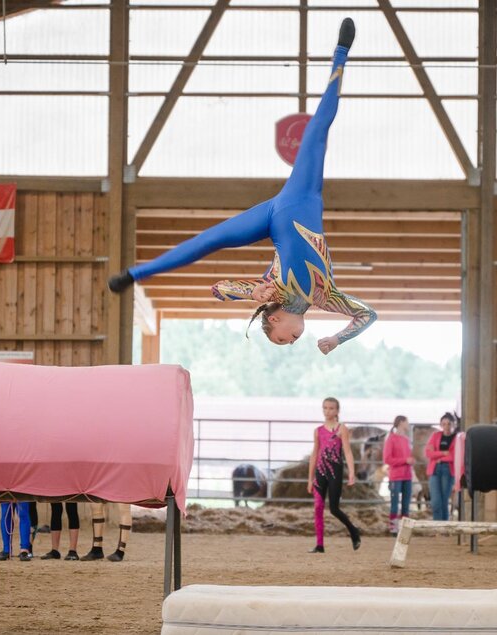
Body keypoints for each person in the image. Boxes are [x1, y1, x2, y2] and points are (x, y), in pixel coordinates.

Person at [107, 18, 375, 355]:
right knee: (317, 135)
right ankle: (134, 274)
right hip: (303, 204)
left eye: (281, 339)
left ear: (274, 321)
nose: (291, 342)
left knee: (209, 238)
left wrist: (252, 293)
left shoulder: (272, 292)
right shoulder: (326, 297)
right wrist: (338, 338)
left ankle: (340, 54)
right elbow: (368, 313)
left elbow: (217, 289)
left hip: (286, 206)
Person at [307, 397, 360, 553]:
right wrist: (310, 479)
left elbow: (348, 452)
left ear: (337, 411)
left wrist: (351, 472)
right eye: (325, 408)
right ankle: (319, 545)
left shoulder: (341, 429)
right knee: (318, 506)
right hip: (320, 472)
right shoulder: (318, 431)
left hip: (335, 472)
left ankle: (353, 530)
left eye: (331, 408)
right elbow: (314, 454)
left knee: (334, 509)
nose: (327, 411)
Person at [424, 412, 460, 522]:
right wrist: (443, 453)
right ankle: (437, 527)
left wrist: (438, 456)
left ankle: (444, 528)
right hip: (434, 470)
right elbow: (428, 453)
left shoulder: (457, 438)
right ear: (441, 425)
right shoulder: (435, 436)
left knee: (444, 500)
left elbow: (454, 456)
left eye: (449, 424)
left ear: (453, 425)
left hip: (447, 471)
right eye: (444, 424)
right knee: (435, 501)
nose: (446, 427)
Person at [383, 415, 414, 534]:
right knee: (394, 503)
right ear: (401, 422)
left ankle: (404, 527)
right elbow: (387, 459)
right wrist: (405, 461)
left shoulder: (406, 439)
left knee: (406, 503)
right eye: (407, 422)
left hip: (407, 475)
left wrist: (410, 461)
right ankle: (393, 527)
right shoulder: (391, 439)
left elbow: (407, 456)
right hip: (396, 476)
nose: (408, 424)